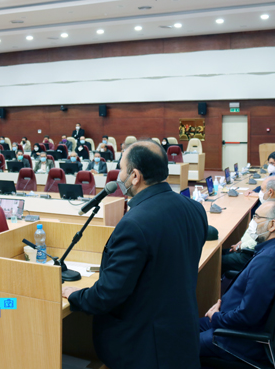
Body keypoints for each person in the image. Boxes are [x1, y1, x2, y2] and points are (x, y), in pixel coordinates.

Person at [63, 140, 207, 368]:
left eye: (121, 169)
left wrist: (74, 294)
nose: (119, 175)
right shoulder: (195, 209)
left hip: (145, 348)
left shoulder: (134, 224)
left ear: (135, 176)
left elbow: (107, 296)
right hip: (182, 334)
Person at [200, 200, 275, 364]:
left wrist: (217, 317)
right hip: (229, 319)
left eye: (257, 217)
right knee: (182, 329)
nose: (253, 222)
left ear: (272, 225)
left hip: (238, 337)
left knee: (179, 344)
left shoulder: (267, 261)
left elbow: (247, 317)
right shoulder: (273, 248)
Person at [222, 176, 275, 275]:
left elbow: (260, 239)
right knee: (222, 252)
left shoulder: (272, 212)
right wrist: (241, 242)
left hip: (251, 255)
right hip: (249, 248)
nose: (259, 193)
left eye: (262, 190)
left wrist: (240, 246)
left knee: (217, 260)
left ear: (270, 192)